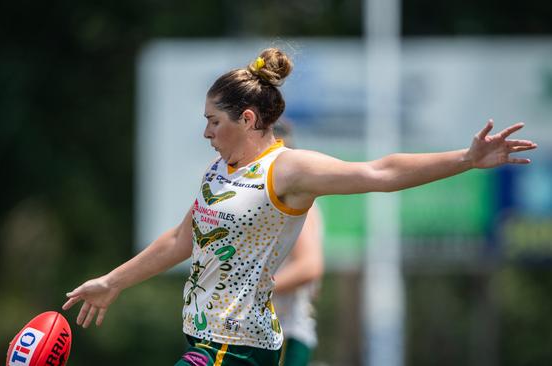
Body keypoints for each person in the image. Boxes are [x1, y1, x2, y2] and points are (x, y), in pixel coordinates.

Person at [62, 47, 537, 366]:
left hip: (238, 343)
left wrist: (466, 158)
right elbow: (179, 241)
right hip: (206, 338)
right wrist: (112, 281)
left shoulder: (286, 170)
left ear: (247, 119)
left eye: (213, 121)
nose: (206, 132)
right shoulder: (219, 172)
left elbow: (381, 173)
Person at [271, 120, 324, 366]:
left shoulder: (292, 198)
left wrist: (249, 292)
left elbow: (309, 266)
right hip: (263, 328)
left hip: (284, 331)